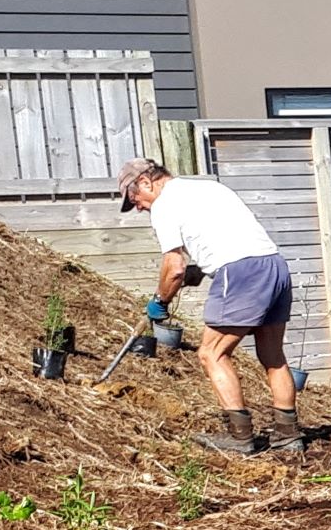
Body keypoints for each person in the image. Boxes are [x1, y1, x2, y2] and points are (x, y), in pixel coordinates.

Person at [117, 157, 301, 454]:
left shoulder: (164, 206)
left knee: (211, 353)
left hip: (241, 273)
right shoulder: (211, 189)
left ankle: (241, 438)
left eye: (134, 198)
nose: (137, 206)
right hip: (274, 266)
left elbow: (174, 267)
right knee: (273, 354)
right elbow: (229, 236)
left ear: (146, 182)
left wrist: (160, 302)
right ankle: (289, 434)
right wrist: (201, 269)